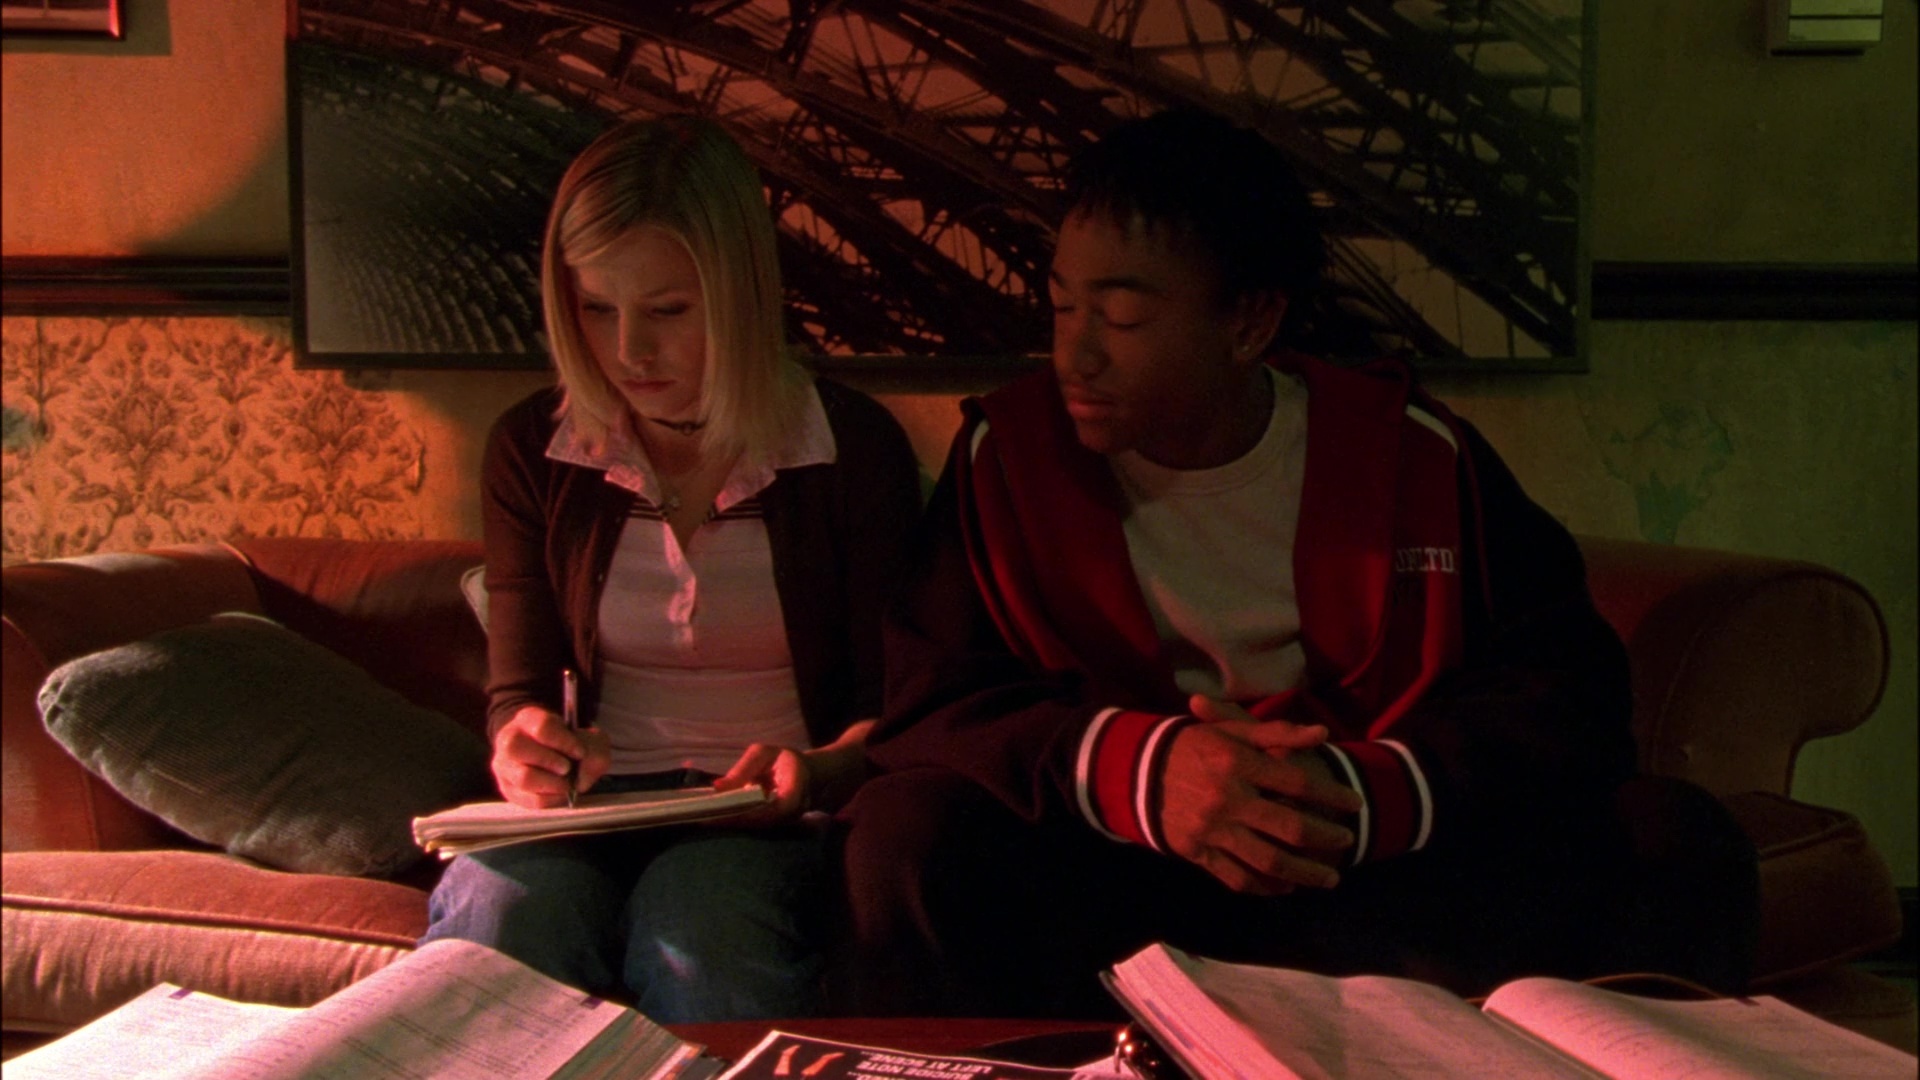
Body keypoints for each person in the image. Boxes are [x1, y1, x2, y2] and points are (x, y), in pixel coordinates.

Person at [841, 109, 1641, 1016]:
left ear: (1252, 322)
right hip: (1113, 872)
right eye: (1062, 306)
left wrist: (1360, 793)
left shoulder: (1411, 454)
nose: (1075, 354)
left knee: (1666, 838)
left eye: (1123, 315)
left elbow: (1570, 691)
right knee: (906, 834)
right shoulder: (1007, 461)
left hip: (1362, 870)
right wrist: (1148, 773)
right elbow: (935, 705)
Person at [422, 115, 922, 1022]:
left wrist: (815, 773)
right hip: (589, 811)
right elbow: (518, 692)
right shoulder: (533, 449)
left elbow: (898, 709)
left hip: (761, 821)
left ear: (739, 295)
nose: (629, 352)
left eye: (668, 311)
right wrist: (524, 743)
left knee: (703, 928)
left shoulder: (851, 450)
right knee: (500, 914)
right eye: (596, 308)